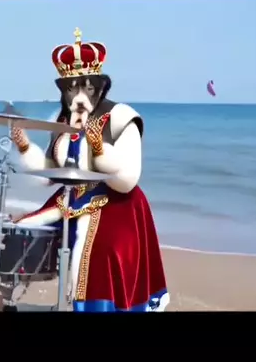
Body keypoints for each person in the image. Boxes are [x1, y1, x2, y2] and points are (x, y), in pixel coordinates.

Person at [10, 28, 169, 312]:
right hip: (71, 201)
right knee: (17, 232)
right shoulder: (60, 120)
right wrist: (24, 147)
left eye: (85, 87)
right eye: (71, 88)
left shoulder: (121, 116)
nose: (78, 94)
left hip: (117, 206)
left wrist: (98, 148)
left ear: (99, 86)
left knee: (100, 260)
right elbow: (51, 173)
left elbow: (127, 180)